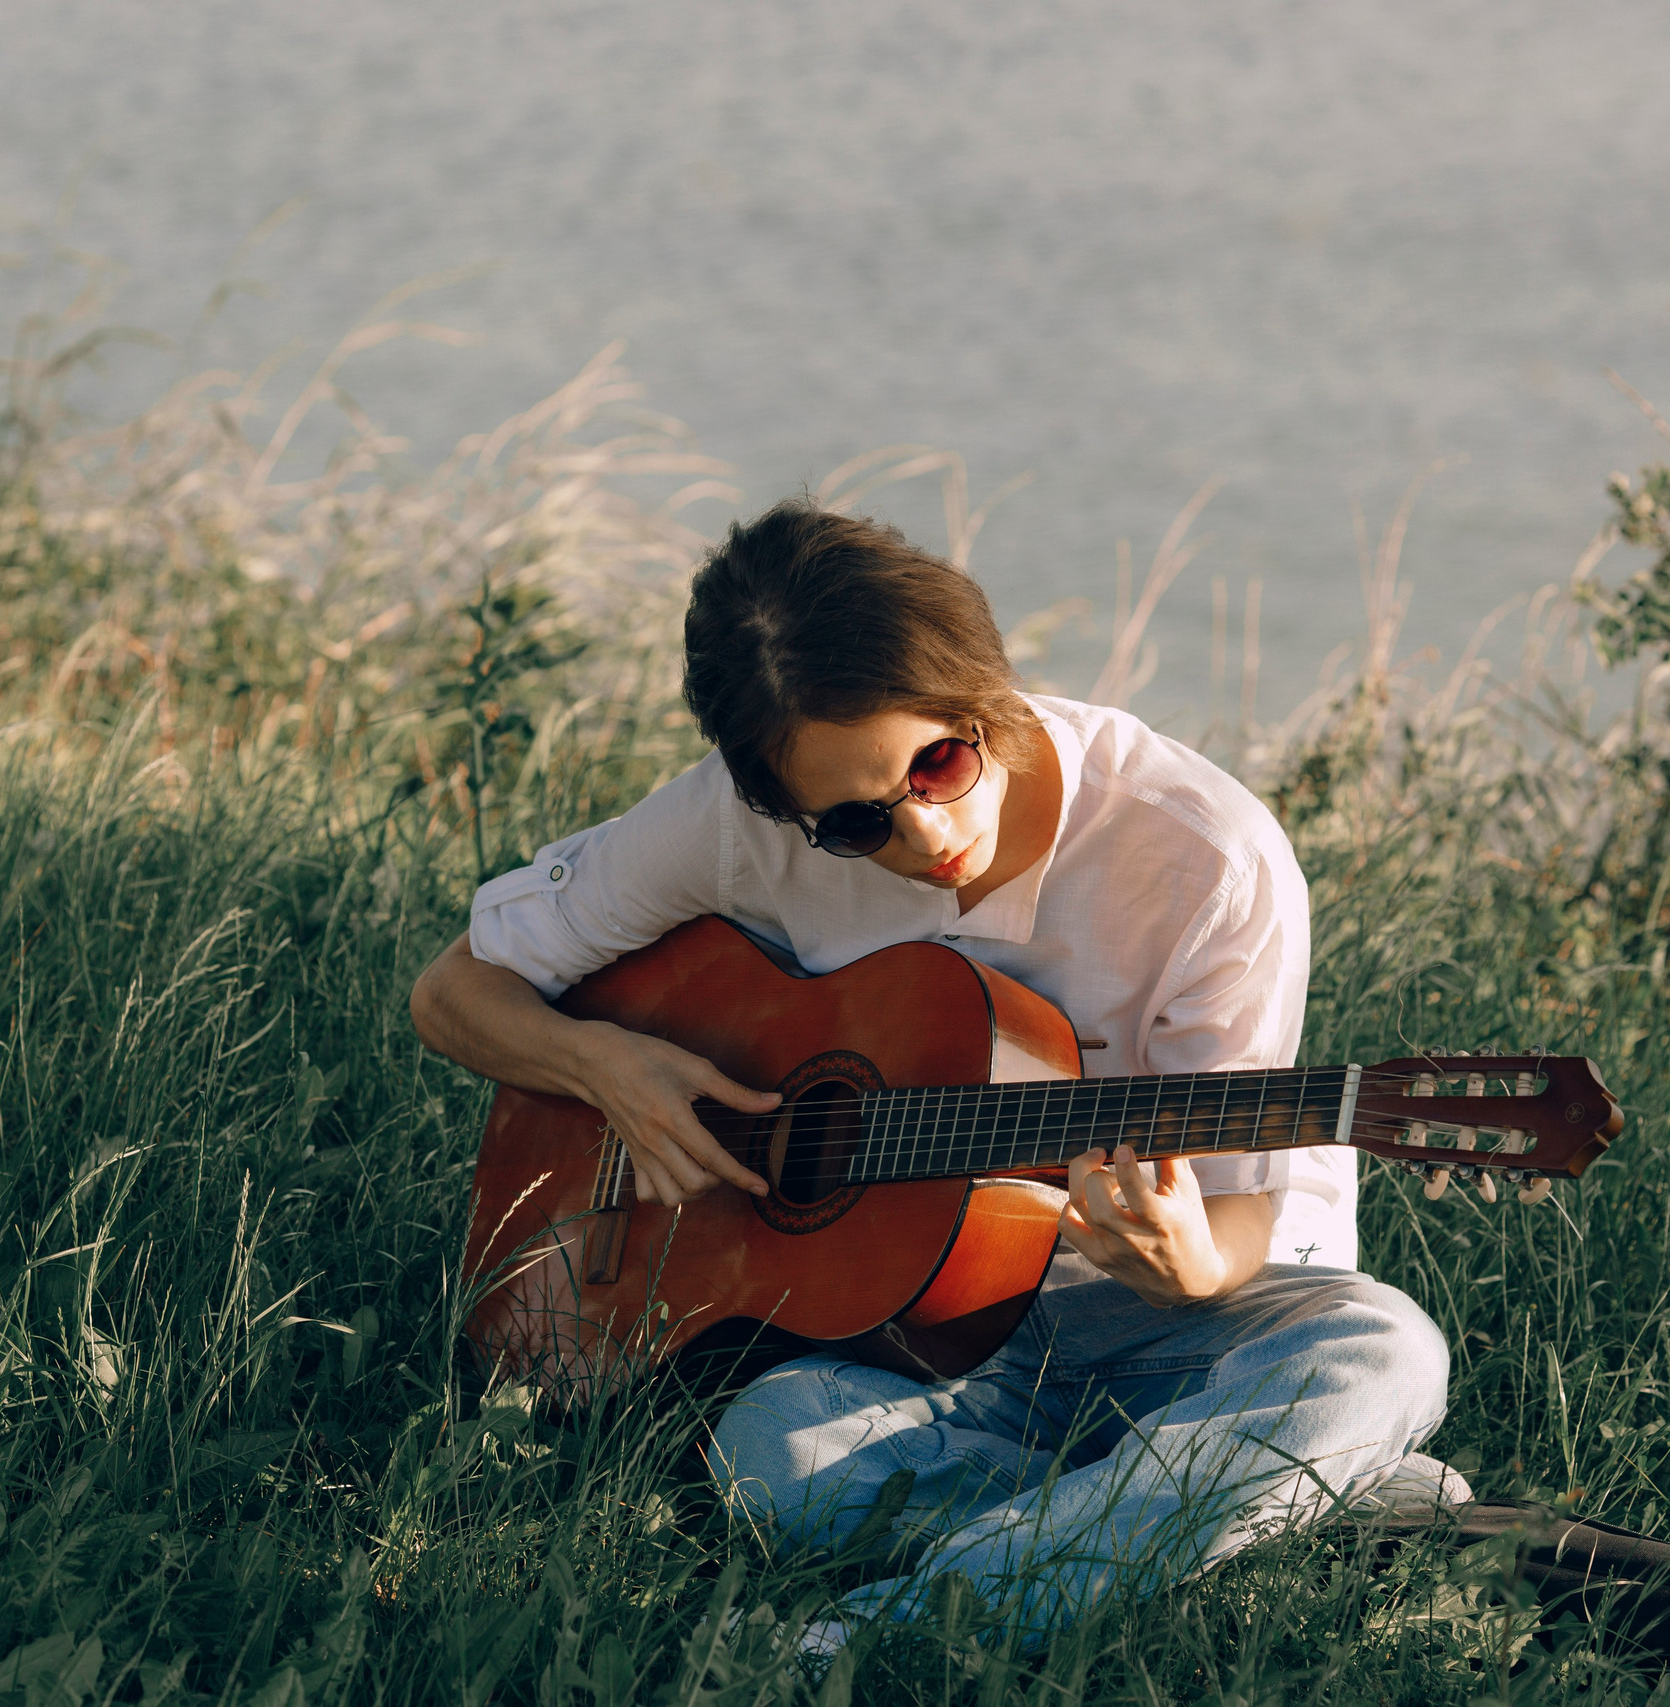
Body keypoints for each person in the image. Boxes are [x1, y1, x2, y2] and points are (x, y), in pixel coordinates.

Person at [410, 500, 1459, 1650]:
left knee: (1380, 1353)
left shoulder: (1201, 852)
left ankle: (885, 1636)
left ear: (987, 693)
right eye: (854, 825)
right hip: (907, 1347)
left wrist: (1195, 1265)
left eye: (938, 764)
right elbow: (455, 992)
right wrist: (607, 1067)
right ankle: (1250, 1502)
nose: (922, 837)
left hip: (1168, 1329)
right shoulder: (734, 826)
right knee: (772, 1464)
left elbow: (1245, 1208)